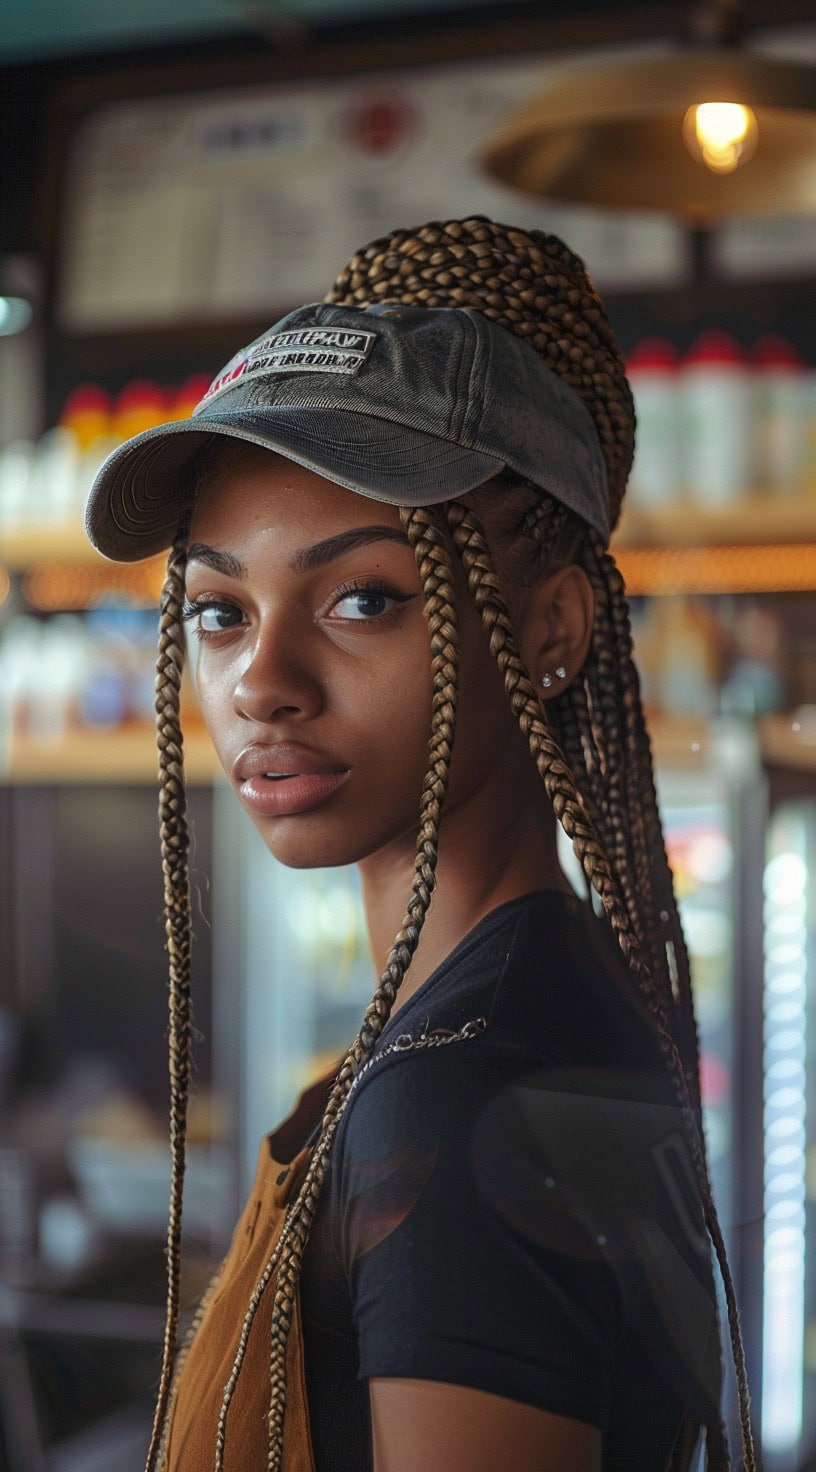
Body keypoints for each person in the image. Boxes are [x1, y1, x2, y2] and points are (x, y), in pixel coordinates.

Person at [85, 216, 754, 1472]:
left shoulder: (461, 1088)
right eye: (220, 611)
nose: (260, 681)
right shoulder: (526, 1003)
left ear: (550, 626)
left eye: (364, 598)